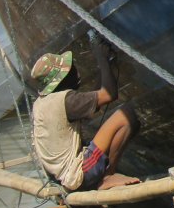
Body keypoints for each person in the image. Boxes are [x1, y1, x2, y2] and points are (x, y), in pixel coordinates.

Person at [30, 37, 141, 192]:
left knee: (120, 116)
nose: (76, 73)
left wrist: (107, 67)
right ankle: (108, 176)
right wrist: (101, 58)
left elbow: (93, 101)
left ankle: (104, 175)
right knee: (126, 114)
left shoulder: (41, 104)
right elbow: (108, 94)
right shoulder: (66, 101)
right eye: (70, 71)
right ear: (61, 79)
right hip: (79, 176)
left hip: (62, 177)